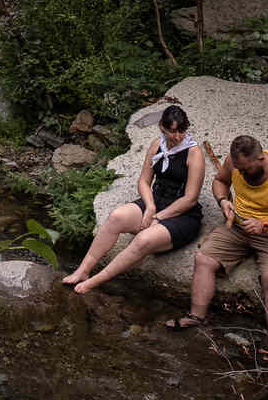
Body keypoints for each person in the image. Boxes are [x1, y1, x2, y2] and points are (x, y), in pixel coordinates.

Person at [165, 134, 268, 352]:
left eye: (246, 169)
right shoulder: (235, 164)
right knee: (203, 258)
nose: (241, 173)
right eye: (238, 169)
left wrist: (265, 225)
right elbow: (220, 181)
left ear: (260, 159)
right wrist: (223, 201)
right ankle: (197, 317)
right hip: (240, 226)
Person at [61, 105, 204, 293]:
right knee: (116, 217)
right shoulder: (156, 145)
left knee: (142, 240)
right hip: (157, 201)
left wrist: (159, 217)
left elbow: (190, 198)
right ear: (162, 127)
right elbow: (144, 182)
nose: (177, 136)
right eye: (172, 131)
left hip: (182, 214)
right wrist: (151, 207)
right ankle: (83, 271)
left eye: (181, 131)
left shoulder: (194, 154)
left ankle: (94, 282)